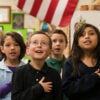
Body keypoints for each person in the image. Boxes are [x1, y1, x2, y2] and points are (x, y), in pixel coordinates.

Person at [11, 31, 63, 100]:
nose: (39, 46)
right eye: (35, 42)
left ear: (50, 52)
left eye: (44, 43)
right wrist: (38, 88)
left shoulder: (54, 74)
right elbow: (15, 98)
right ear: (28, 50)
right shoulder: (19, 72)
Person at [62, 23, 100, 100]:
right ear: (77, 42)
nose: (87, 36)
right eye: (82, 35)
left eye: (91, 33)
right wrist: (93, 78)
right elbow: (68, 90)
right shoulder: (70, 63)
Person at [0, 31, 26, 100]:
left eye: (16, 44)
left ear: (21, 48)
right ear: (2, 49)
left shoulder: (27, 69)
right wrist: (9, 86)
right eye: (8, 45)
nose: (12, 48)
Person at [46, 29, 68, 100]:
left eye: (61, 41)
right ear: (49, 44)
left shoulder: (71, 64)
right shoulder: (44, 65)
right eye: (54, 41)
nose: (58, 44)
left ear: (66, 45)